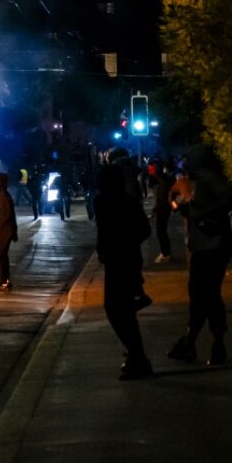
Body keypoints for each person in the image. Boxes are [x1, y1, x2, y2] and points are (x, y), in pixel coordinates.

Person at [167, 144, 232, 366]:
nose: (185, 165)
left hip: (212, 245)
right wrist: (181, 206)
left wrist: (200, 213)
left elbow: (229, 199)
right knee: (203, 294)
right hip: (205, 244)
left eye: (188, 160)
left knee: (205, 294)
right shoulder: (197, 181)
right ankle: (196, 342)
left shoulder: (208, 178)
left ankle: (205, 343)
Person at [94, 163, 153, 380]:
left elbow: (104, 230)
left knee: (116, 309)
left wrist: (114, 245)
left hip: (120, 260)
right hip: (124, 259)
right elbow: (143, 230)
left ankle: (137, 356)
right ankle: (137, 356)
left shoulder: (104, 203)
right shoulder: (125, 202)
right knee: (122, 311)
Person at [0, 172, 18, 290]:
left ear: (1, 184)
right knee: (1, 255)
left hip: (5, 230)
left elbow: (5, 214)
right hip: (6, 229)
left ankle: (4, 281)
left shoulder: (3, 196)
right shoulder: (1, 195)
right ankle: (5, 280)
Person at [150, 158, 176, 264]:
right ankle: (165, 253)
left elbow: (163, 196)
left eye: (152, 168)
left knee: (161, 231)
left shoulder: (163, 180)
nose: (150, 170)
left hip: (163, 208)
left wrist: (157, 207)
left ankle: (166, 254)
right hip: (163, 208)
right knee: (161, 231)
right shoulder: (163, 179)